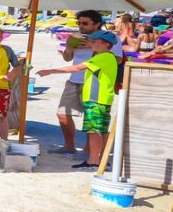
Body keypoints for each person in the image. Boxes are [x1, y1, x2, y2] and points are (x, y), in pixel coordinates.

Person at [38, 33, 118, 168]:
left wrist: (50, 71)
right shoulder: (105, 57)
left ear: (106, 44)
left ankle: (93, 161)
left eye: (95, 41)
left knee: (94, 131)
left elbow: (77, 68)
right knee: (101, 131)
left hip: (96, 99)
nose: (91, 43)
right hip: (102, 99)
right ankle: (102, 160)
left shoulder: (103, 57)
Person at [53, 10, 121, 156]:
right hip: (75, 80)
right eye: (79, 23)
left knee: (93, 119)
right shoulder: (75, 37)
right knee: (63, 114)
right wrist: (69, 48)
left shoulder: (109, 38)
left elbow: (117, 59)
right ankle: (69, 145)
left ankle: (91, 150)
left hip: (96, 82)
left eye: (85, 23)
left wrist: (92, 47)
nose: (81, 26)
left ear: (96, 24)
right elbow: (67, 58)